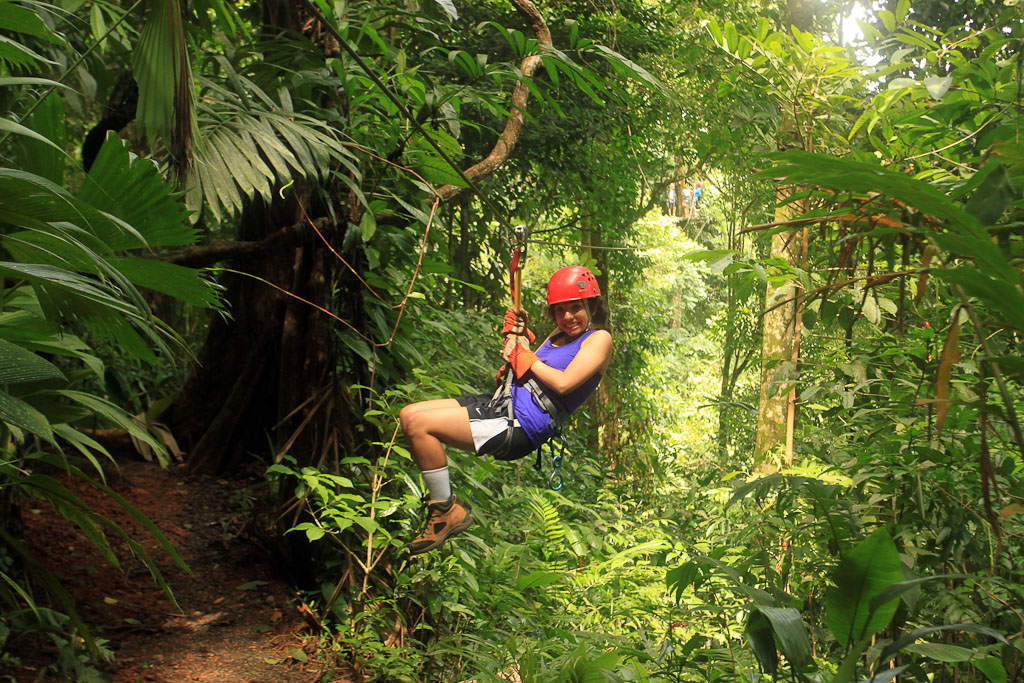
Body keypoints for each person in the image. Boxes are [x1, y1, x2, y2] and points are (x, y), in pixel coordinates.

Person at [398, 266, 613, 555]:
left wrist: (524, 356)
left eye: (575, 308)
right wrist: (520, 339)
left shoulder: (599, 339)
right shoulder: (558, 334)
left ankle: (444, 512)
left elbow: (563, 383)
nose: (567, 317)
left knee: (420, 426)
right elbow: (529, 366)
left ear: (592, 306)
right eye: (560, 310)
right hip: (502, 404)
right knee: (409, 415)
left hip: (520, 424)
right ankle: (442, 503)